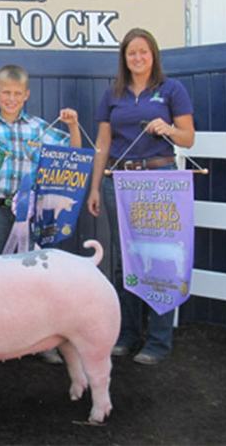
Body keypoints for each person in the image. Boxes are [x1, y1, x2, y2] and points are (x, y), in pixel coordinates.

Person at [0, 64, 81, 365]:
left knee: (36, 276)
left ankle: (41, 341)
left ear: (26, 95)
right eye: (5, 93)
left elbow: (73, 154)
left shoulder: (39, 127)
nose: (11, 99)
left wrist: (74, 126)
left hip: (33, 213)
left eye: (17, 93)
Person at [87, 27, 195, 365]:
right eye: (131, 53)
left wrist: (169, 129)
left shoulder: (172, 89)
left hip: (159, 180)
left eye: (143, 52)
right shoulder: (113, 94)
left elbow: (188, 138)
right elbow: (103, 143)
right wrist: (94, 186)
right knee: (125, 260)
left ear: (153, 55)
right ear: (124, 58)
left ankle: (159, 341)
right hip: (119, 181)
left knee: (161, 261)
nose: (137, 58)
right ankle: (128, 335)